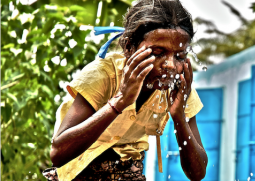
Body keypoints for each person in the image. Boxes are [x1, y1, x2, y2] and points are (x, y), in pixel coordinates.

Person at [43, 0, 208, 180]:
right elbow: (58, 154)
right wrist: (120, 100)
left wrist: (179, 117)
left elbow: (197, 173)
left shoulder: (178, 87)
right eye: (158, 52)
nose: (170, 65)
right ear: (129, 47)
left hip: (127, 173)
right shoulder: (104, 75)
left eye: (179, 55)